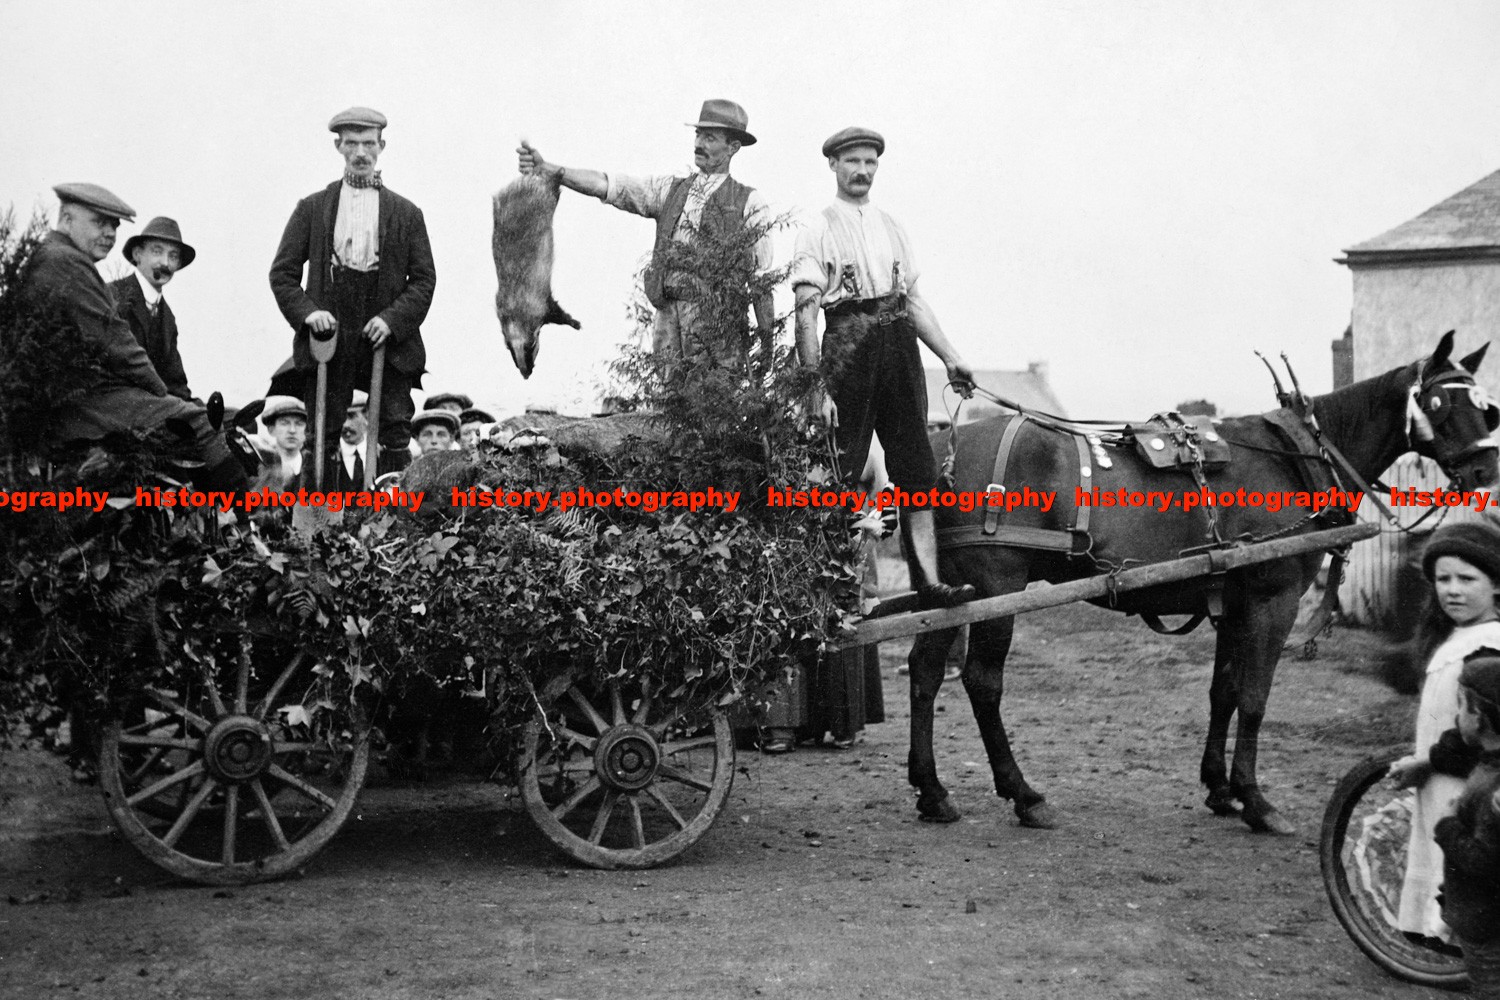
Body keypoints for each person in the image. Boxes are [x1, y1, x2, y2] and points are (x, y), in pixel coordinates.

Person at [789, 128, 975, 611]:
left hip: (899, 346)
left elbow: (913, 301)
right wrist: (816, 387)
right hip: (848, 344)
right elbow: (806, 311)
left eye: (870, 162)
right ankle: (835, 588)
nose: (862, 171)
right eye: (852, 161)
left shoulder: (893, 226)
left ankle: (929, 582)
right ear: (833, 165)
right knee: (839, 468)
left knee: (917, 469)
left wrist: (950, 356)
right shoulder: (818, 226)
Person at [23, 184, 246, 492]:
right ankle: (244, 514)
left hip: (79, 396)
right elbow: (116, 343)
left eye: (113, 225)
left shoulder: (56, 257)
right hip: (77, 401)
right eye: (99, 222)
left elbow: (172, 377)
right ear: (66, 218)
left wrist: (181, 401)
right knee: (198, 426)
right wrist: (164, 398)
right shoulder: (67, 263)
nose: (109, 233)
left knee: (204, 420)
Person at [516, 99, 774, 363]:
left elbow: (761, 281)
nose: (698, 144)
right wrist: (548, 169)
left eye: (709, 138)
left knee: (714, 400)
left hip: (719, 322)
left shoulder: (750, 202)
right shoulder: (668, 190)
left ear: (733, 147)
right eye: (697, 135)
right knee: (666, 398)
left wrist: (768, 347)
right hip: (667, 316)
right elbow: (610, 185)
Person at [269, 106, 436, 483]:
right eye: (352, 144)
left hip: (386, 328)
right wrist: (309, 313)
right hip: (331, 329)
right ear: (339, 147)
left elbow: (424, 279)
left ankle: (394, 515)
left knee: (394, 426)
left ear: (382, 146)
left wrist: (392, 320)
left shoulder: (407, 213)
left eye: (369, 144)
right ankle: (318, 518)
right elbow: (282, 274)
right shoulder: (313, 208)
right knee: (323, 430)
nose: (361, 152)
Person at [1389, 522, 1500, 943]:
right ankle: (1439, 935)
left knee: (1464, 860)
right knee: (1442, 856)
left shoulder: (1489, 645)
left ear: (1497, 586)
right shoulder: (1461, 638)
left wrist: (1429, 760)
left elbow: (1482, 733)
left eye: (1467, 579)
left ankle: (1466, 945)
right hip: (1442, 775)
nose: (1453, 590)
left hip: (1467, 781)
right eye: (1443, 579)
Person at [1432, 653, 1500, 996]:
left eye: (1461, 707)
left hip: (1488, 931)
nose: (1457, 717)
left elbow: (1486, 862)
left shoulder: (1494, 789)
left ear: (1479, 718)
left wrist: (1447, 828)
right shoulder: (1489, 764)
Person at [108, 216, 197, 402]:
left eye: (173, 256)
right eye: (157, 251)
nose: (165, 263)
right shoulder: (113, 296)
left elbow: (176, 382)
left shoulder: (167, 317)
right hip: (118, 404)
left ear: (178, 264)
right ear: (137, 254)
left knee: (228, 419)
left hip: (155, 406)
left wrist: (199, 410)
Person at [256, 396, 307, 490]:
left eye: (299, 424)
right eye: (284, 423)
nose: (292, 430)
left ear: (306, 430)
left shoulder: (314, 466)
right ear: (271, 430)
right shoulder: (260, 465)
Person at [336, 390, 369, 489]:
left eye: (351, 416)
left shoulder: (380, 455)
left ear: (366, 417)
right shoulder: (330, 457)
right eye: (341, 418)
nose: (345, 424)